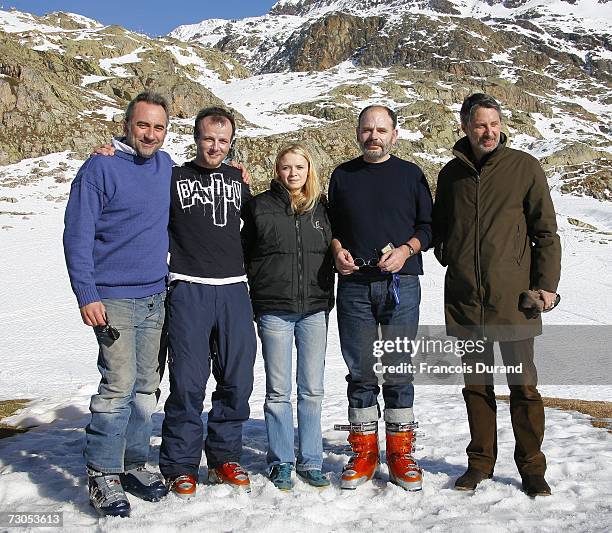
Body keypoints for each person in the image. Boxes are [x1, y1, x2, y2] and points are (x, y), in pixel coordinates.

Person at [432, 93, 561, 497]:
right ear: (464, 127)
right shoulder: (450, 174)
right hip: (467, 299)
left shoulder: (524, 167)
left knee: (523, 387)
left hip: (515, 299)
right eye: (479, 125)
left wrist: (546, 287)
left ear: (500, 125)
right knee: (476, 386)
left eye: (493, 124)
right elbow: (441, 229)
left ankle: (532, 468)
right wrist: (448, 253)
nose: (488, 132)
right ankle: (480, 463)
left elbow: (546, 233)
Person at [63, 91, 172, 517]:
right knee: (118, 386)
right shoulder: (99, 167)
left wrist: (234, 169)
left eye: (159, 127)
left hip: (155, 296)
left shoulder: (165, 167)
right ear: (127, 125)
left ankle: (134, 462)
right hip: (113, 299)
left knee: (146, 388)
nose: (150, 134)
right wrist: (86, 294)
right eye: (143, 125)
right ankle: (102, 471)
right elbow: (77, 235)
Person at [328, 105, 433, 491]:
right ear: (358, 133)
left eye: (381, 130)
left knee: (398, 367)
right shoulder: (343, 175)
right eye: (367, 129)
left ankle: (401, 452)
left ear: (395, 134)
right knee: (360, 370)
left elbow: (428, 227)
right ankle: (364, 451)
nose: (374, 136)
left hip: (400, 285)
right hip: (355, 286)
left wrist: (406, 250)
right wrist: (337, 249)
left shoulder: (410, 175)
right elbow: (333, 226)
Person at [158, 107, 257, 498]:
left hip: (234, 288)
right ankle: (181, 465)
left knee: (237, 378)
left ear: (230, 142)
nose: (215, 146)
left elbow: (257, 226)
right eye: (208, 138)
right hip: (189, 286)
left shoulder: (238, 179)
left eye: (222, 140)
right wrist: (109, 151)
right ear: (196, 137)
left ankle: (223, 457)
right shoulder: (174, 176)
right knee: (188, 381)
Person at [241, 144, 335, 490]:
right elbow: (245, 254)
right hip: (274, 310)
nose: (292, 173)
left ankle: (311, 460)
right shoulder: (259, 207)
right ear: (276, 170)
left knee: (312, 389)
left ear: (309, 170)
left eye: (299, 166)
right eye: (285, 167)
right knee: (278, 391)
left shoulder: (323, 209)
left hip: (314, 309)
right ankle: (280, 460)